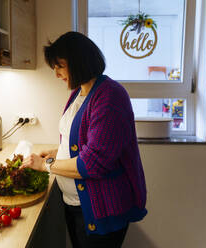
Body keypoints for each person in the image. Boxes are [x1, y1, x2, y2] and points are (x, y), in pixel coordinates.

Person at [21, 31, 147, 248]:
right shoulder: (81, 92)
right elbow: (81, 142)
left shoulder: (110, 97)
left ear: (79, 62)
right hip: (76, 204)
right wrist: (56, 153)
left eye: (59, 66)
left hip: (102, 209)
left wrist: (46, 164)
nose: (56, 74)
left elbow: (93, 163)